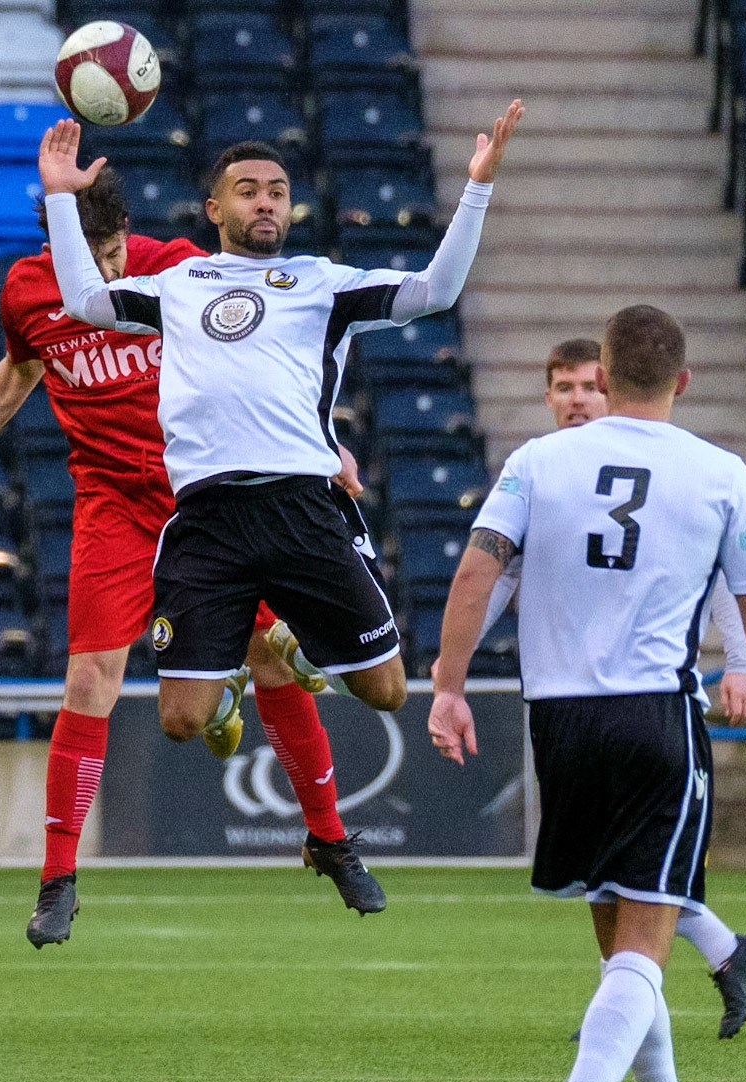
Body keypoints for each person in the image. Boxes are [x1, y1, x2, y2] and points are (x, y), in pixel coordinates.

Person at [0, 168, 384, 945]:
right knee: (90, 676)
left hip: (207, 499)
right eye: (95, 255)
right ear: (56, 243)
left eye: (118, 249)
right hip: (112, 506)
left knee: (270, 657)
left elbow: (263, 357)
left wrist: (325, 448)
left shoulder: (178, 268)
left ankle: (329, 839)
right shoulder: (29, 291)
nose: (110, 269)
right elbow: (21, 367)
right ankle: (57, 879)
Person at [429, 306, 746, 1082]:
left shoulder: (534, 461)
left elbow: (476, 569)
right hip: (654, 722)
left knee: (621, 951)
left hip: (558, 723)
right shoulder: (717, 471)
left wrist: (447, 684)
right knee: (644, 943)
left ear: (601, 370)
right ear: (681, 380)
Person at [35, 99, 520, 742]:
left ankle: (288, 634)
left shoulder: (323, 282)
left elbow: (435, 290)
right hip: (209, 518)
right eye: (247, 192)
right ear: (214, 210)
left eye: (277, 192)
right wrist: (63, 200)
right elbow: (84, 300)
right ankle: (234, 668)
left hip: (302, 509)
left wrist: (478, 186)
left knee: (388, 691)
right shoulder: (179, 283)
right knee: (181, 721)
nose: (265, 203)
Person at [459, 336, 746, 1039]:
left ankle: (629, 1014)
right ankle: (710, 959)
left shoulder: (676, 471)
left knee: (628, 867)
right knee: (603, 870)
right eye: (561, 388)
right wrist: (450, 671)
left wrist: (744, 664)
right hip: (569, 706)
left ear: (608, 388)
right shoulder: (541, 470)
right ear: (546, 397)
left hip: (650, 702)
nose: (574, 400)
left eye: (585, 388)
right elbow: (494, 578)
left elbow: (730, 579)